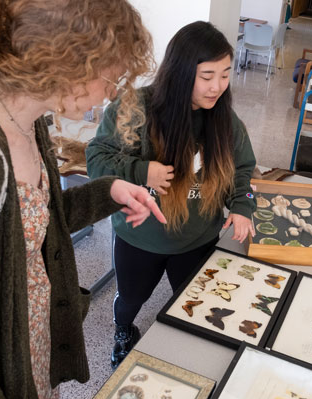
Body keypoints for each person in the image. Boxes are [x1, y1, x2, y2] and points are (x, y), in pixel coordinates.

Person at [0, 0, 165, 399]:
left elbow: (32, 222)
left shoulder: (28, 121)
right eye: (109, 76)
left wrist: (108, 191)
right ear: (64, 60)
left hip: (28, 345)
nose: (112, 92)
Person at [86, 21, 257, 369]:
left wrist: (241, 206)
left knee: (194, 302)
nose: (217, 87)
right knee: (132, 298)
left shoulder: (225, 119)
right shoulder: (136, 108)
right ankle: (122, 331)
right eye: (207, 76)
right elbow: (97, 159)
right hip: (140, 236)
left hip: (197, 237)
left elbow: (242, 169)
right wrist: (141, 170)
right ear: (180, 72)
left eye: (225, 75)